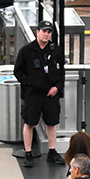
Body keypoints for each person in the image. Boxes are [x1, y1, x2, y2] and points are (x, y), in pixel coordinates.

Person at [13, 20, 66, 167]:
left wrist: (57, 87)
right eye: (44, 31)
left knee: (52, 122)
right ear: (37, 32)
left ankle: (52, 151)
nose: (46, 34)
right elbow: (18, 71)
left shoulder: (56, 50)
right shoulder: (26, 50)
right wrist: (30, 83)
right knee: (30, 122)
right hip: (33, 94)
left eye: (49, 32)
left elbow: (62, 72)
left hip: (51, 94)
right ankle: (28, 153)